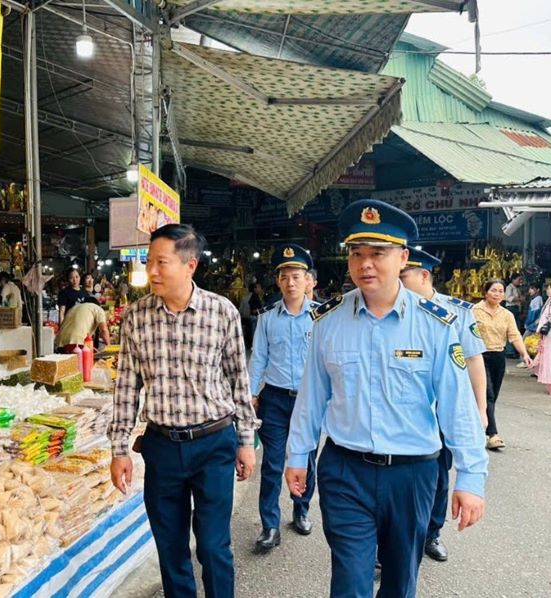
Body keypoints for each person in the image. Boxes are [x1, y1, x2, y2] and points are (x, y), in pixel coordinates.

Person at [285, 200, 488, 598]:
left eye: (378, 253)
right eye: (357, 254)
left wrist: (471, 476)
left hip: (412, 475)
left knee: (399, 583)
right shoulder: (328, 322)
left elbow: (456, 405)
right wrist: (298, 455)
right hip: (345, 471)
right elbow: (312, 396)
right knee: (350, 583)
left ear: (403, 258)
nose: (366, 264)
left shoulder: (435, 324)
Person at [108, 224, 258, 598]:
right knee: (170, 547)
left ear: (190, 265)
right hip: (161, 447)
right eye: (149, 262)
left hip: (213, 443)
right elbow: (127, 385)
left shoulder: (221, 312)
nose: (152, 271)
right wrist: (119, 449)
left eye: (161, 262)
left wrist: (245, 441)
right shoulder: (136, 317)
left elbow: (239, 380)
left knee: (212, 544)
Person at [400, 247, 488, 563]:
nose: (395, 282)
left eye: (402, 275)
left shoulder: (458, 312)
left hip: (446, 411)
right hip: (409, 410)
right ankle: (396, 539)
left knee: (438, 476)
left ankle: (431, 533)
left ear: (424, 275)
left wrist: (481, 410)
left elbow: (475, 362)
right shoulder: (393, 309)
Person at [247, 244, 320, 552]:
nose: (291, 282)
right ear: (277, 281)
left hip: (308, 400)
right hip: (274, 400)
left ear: (309, 280)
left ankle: (301, 510)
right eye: (285, 276)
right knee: (272, 465)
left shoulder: (321, 316)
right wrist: (249, 394)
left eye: (296, 276)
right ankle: (270, 525)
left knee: (307, 461)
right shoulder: (266, 318)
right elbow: (258, 358)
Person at [473, 280, 532, 450]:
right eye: (493, 290)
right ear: (486, 292)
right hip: (479, 357)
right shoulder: (474, 311)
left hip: (498, 357)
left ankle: (479, 427)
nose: (497, 294)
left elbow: (514, 336)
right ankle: (493, 434)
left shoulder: (507, 315)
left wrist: (524, 354)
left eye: (500, 291)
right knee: (487, 394)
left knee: (492, 397)